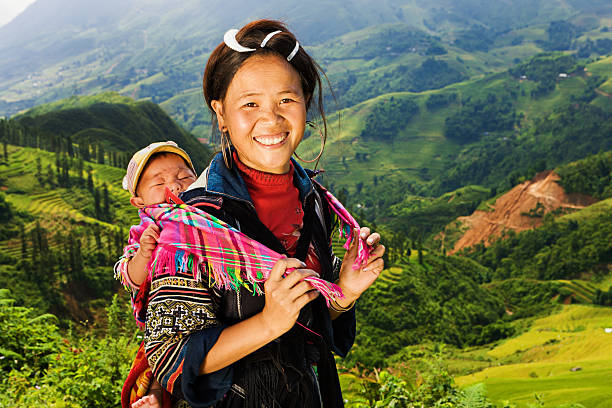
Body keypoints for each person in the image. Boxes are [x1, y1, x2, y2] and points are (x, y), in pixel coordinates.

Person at [142, 19, 385, 408]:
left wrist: (345, 291)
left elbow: (313, 328)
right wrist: (267, 323)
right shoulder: (193, 223)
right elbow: (168, 358)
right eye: (250, 104)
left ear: (305, 101)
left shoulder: (314, 200)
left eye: (286, 100)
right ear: (221, 114)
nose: (271, 120)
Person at [115, 140, 198, 408]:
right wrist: (144, 255)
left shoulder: (206, 213)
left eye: (184, 176)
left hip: (208, 306)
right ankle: (155, 396)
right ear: (138, 200)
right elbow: (131, 277)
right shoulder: (146, 230)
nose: (174, 185)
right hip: (166, 318)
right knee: (161, 361)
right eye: (159, 182)